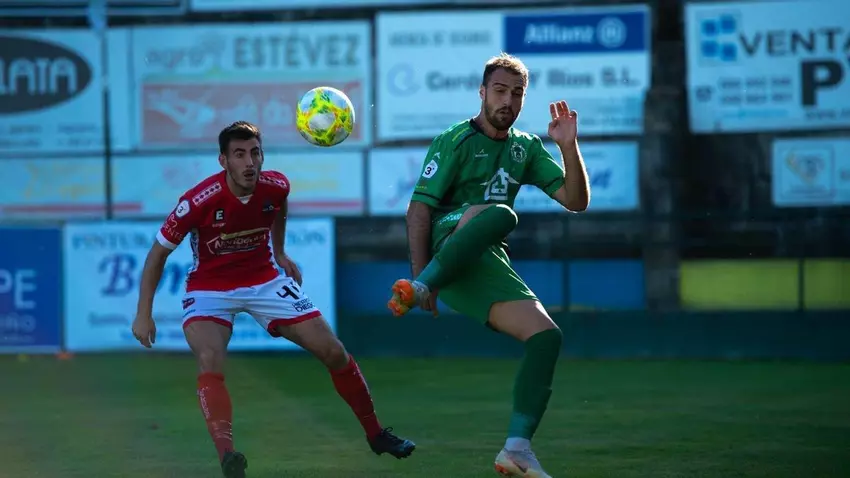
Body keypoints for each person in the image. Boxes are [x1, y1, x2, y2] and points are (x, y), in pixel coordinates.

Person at [132, 121, 415, 478]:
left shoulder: (276, 186)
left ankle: (376, 435)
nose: (249, 162)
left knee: (333, 351)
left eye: (255, 153)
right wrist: (143, 313)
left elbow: (278, 208)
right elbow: (157, 254)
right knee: (209, 359)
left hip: (264, 279)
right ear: (223, 161)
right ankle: (228, 456)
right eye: (239, 154)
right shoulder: (197, 201)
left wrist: (279, 252)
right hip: (209, 288)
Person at [387, 53, 590, 478]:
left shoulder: (526, 147)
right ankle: (420, 287)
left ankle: (516, 450)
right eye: (500, 90)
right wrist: (423, 278)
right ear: (482, 92)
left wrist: (568, 146)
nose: (508, 101)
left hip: (484, 259)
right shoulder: (455, 140)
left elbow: (575, 201)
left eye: (517, 93)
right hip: (446, 245)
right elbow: (418, 211)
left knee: (546, 338)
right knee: (498, 212)